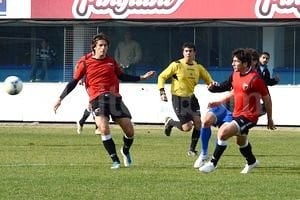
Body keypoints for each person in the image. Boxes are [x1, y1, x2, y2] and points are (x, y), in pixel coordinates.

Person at [53, 33, 155, 169]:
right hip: (97, 99)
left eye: (105, 45)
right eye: (100, 45)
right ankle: (115, 160)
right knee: (103, 127)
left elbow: (122, 76)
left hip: (114, 98)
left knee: (129, 131)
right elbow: (74, 82)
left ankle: (125, 151)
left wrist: (141, 78)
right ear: (94, 48)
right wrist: (60, 99)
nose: (103, 48)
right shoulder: (85, 62)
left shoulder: (111, 61)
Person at [199, 48, 276, 174]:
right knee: (241, 141)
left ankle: (212, 163)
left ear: (245, 63)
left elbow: (267, 99)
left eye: (236, 61)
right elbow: (235, 91)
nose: (233, 64)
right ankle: (251, 161)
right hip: (237, 113)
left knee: (223, 132)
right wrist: (219, 101)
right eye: (233, 61)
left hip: (249, 116)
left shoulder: (255, 79)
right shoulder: (235, 74)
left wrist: (269, 119)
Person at [157, 42, 214, 157]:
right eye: (186, 51)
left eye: (190, 51)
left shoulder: (198, 67)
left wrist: (212, 85)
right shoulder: (176, 65)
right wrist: (162, 91)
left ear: (194, 53)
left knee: (198, 122)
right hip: (178, 98)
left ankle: (192, 150)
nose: (188, 53)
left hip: (191, 98)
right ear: (183, 52)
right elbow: (162, 76)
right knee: (187, 127)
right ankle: (171, 122)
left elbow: (209, 81)